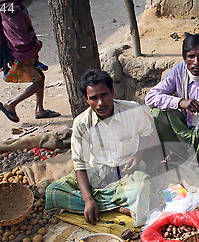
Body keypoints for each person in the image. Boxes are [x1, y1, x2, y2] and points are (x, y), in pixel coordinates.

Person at [45, 69, 155, 226]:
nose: (101, 103)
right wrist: (88, 199)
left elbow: (146, 134)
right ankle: (118, 206)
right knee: (53, 192)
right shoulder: (81, 123)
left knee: (142, 188)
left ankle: (108, 204)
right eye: (93, 98)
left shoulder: (133, 110)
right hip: (98, 174)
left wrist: (137, 156)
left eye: (104, 95)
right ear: (86, 99)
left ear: (112, 92)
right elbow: (80, 163)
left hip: (128, 172)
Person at [145, 32, 199, 183]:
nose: (196, 62)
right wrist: (179, 102)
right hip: (183, 129)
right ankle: (176, 152)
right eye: (191, 56)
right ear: (184, 58)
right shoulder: (178, 71)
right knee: (157, 113)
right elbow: (150, 97)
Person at [0, 0, 60, 122]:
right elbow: (20, 35)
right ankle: (10, 104)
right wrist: (31, 47)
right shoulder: (10, 8)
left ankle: (40, 110)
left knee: (39, 75)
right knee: (38, 82)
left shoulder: (3, 5)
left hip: (21, 49)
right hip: (22, 50)